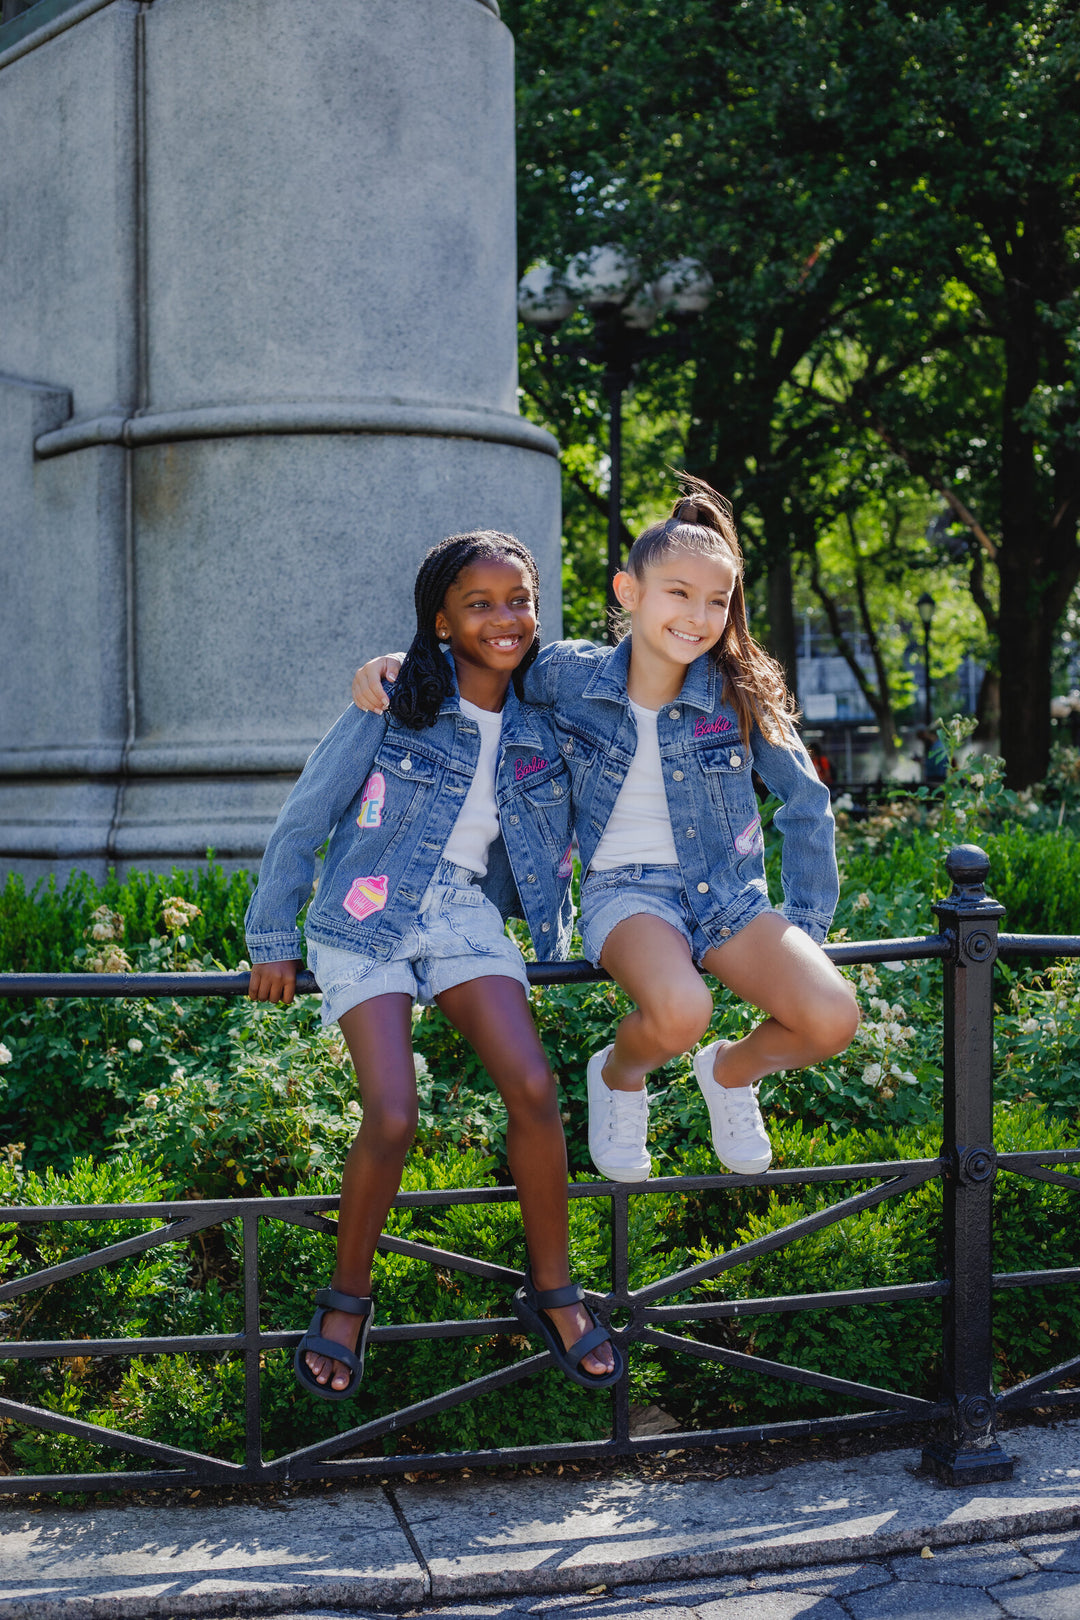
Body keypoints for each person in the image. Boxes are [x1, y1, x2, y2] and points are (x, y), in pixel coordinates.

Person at [351, 480, 859, 1187]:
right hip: (629, 895)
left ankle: (729, 1072)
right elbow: (485, 655)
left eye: (717, 600)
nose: (699, 615)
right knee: (683, 1010)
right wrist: (398, 664)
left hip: (732, 900)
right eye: (678, 593)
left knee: (832, 1018)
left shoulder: (738, 690)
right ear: (630, 591)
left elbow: (806, 801)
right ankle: (620, 1077)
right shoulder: (567, 675)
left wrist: (803, 927)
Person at [246, 531, 620, 1399]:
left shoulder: (545, 716)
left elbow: (634, 678)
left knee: (531, 1086)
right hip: (366, 915)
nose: (506, 618)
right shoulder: (394, 701)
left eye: (519, 599)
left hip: (463, 916)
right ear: (442, 621)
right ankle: (347, 1298)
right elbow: (307, 817)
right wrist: (275, 939)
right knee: (392, 1109)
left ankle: (554, 1290)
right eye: (481, 604)